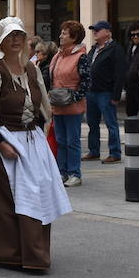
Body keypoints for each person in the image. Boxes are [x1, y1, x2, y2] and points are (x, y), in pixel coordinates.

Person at [0, 17, 70, 270]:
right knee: (11, 196)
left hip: (30, 140)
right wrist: (0, 143)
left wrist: (40, 135)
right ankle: (12, 251)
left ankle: (33, 250)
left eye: (20, 35)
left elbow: (42, 105)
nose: (16, 40)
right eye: (11, 36)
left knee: (39, 191)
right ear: (0, 40)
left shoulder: (31, 69)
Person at [48, 21, 90, 188]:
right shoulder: (57, 56)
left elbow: (86, 82)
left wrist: (74, 97)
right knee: (60, 140)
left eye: (64, 34)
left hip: (72, 106)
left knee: (72, 141)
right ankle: (62, 172)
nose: (60, 36)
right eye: (62, 33)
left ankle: (74, 173)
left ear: (74, 37)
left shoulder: (81, 57)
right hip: (57, 104)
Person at [82, 20, 127, 164]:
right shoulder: (94, 49)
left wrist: (116, 95)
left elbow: (120, 73)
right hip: (91, 91)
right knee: (92, 123)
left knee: (111, 123)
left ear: (107, 32)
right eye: (94, 30)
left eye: (98, 30)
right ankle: (94, 151)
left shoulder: (115, 49)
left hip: (105, 92)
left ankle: (115, 152)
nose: (95, 32)